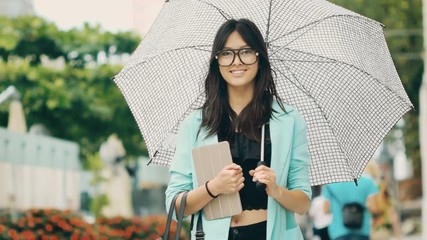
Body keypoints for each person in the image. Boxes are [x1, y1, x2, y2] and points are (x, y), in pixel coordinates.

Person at [165, 18, 312, 240]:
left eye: (245, 51)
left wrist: (277, 190)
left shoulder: (288, 120)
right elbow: (175, 207)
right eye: (226, 53)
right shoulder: (195, 124)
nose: (236, 61)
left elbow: (303, 204)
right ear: (217, 61)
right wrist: (214, 187)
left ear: (259, 58)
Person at [322, 174, 379, 240]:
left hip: (339, 231)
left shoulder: (330, 184)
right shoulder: (368, 182)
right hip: (362, 231)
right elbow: (374, 208)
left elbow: (326, 209)